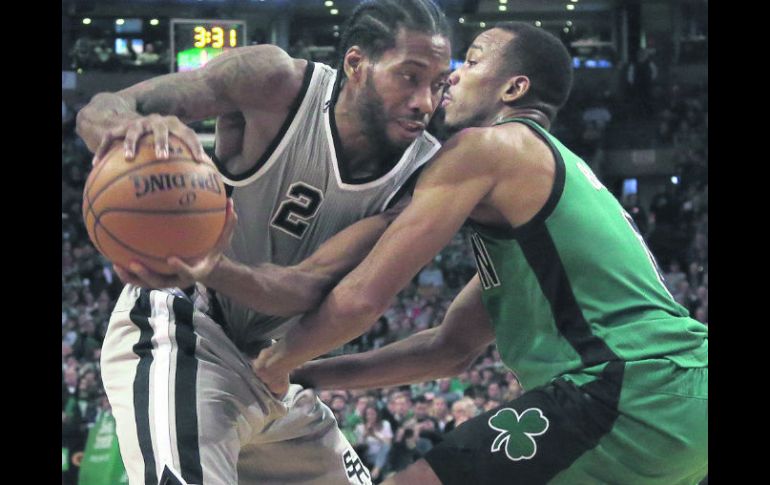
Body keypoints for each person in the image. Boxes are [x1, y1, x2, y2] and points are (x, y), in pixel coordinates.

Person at [251, 22, 708, 485]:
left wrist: (278, 359)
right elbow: (447, 350)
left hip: (631, 387)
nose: (452, 75)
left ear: (514, 87)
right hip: (685, 399)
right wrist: (307, 374)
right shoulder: (547, 196)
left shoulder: (488, 147)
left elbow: (364, 296)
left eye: (471, 60)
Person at [74, 1, 451, 483]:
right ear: (356, 65)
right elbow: (103, 107)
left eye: (439, 85)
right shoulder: (275, 81)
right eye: (410, 77)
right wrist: (125, 132)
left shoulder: (426, 175)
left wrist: (210, 263)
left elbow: (303, 287)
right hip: (186, 326)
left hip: (275, 370)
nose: (425, 101)